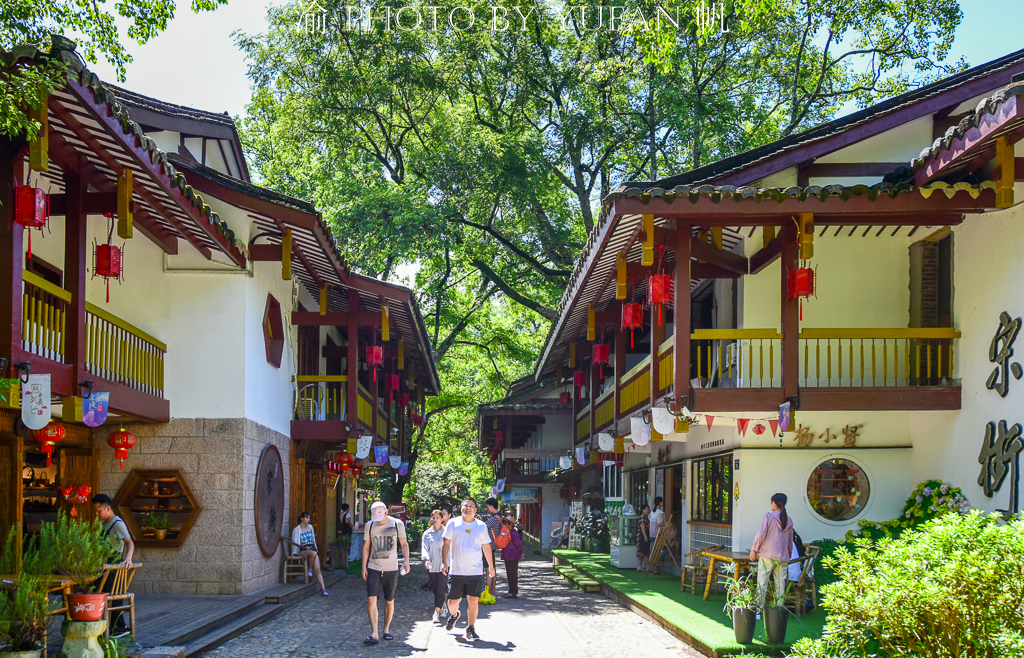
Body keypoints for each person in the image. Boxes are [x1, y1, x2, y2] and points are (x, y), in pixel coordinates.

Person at [441, 497, 495, 642]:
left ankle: (471, 628)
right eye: (465, 505)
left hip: (475, 571)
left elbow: (486, 546)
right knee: (452, 602)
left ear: (475, 510)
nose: (468, 508)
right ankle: (454, 615)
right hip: (457, 570)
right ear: (461, 507)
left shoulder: (481, 526)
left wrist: (491, 566)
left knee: (473, 600)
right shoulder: (453, 523)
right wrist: (444, 562)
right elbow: (446, 543)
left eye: (471, 506)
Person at [362, 501, 410, 645]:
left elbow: (404, 543)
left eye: (380, 517)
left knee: (389, 600)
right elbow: (366, 547)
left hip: (391, 568)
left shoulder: (397, 524)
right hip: (374, 567)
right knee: (371, 599)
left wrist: (406, 561)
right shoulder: (370, 525)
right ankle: (374, 633)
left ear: (386, 512)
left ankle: (386, 629)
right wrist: (364, 567)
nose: (378, 520)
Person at [92, 494, 134, 635]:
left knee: (110, 597)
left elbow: (129, 542)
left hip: (113, 568)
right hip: (101, 566)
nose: (97, 514)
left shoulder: (118, 524)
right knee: (96, 595)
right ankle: (108, 627)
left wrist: (128, 558)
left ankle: (118, 627)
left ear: (108, 509)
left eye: (99, 511)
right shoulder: (102, 524)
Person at [750, 493, 795, 608]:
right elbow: (790, 540)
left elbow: (760, 535)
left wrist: (754, 550)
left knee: (762, 583)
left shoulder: (768, 517)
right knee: (780, 585)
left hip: (767, 555)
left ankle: (759, 609)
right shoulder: (788, 520)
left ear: (774, 504)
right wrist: (788, 554)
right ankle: (777, 610)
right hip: (783, 557)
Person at [291, 512, 328, 596]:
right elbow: (295, 542)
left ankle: (323, 588)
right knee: (313, 553)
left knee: (318, 570)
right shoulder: (297, 529)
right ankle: (309, 569)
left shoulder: (310, 527)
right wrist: (303, 547)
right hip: (303, 549)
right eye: (306, 518)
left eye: (309, 518)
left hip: (312, 549)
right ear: (302, 519)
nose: (308, 520)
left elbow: (313, 540)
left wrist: (314, 548)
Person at [421, 509, 447, 623]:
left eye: (438, 517)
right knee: (436, 588)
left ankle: (436, 613)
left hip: (444, 566)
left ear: (442, 519)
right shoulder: (427, 533)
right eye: (433, 517)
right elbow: (424, 548)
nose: (435, 520)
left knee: (441, 588)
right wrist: (426, 559)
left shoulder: (447, 532)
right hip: (432, 566)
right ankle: (443, 605)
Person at [483, 498, 502, 597]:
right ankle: (493, 592)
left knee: (489, 570)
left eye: (487, 507)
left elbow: (482, 527)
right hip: (493, 546)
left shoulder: (494, 518)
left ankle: (489, 592)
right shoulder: (498, 517)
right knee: (492, 568)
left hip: (489, 546)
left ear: (491, 506)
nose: (487, 509)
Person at [500, 516, 522, 599]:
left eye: (505, 523)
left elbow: (518, 545)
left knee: (512, 574)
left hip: (513, 556)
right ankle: (511, 591)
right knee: (509, 574)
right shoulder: (507, 532)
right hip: (508, 556)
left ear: (509, 524)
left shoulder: (514, 533)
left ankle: (513, 592)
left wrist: (521, 553)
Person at [635, 504, 651, 571]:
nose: (649, 511)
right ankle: (646, 566)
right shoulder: (642, 517)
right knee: (644, 552)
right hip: (642, 536)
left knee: (642, 551)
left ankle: (640, 566)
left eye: (649, 509)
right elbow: (642, 526)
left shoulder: (646, 517)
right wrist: (645, 536)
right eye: (647, 509)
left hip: (643, 535)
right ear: (643, 510)